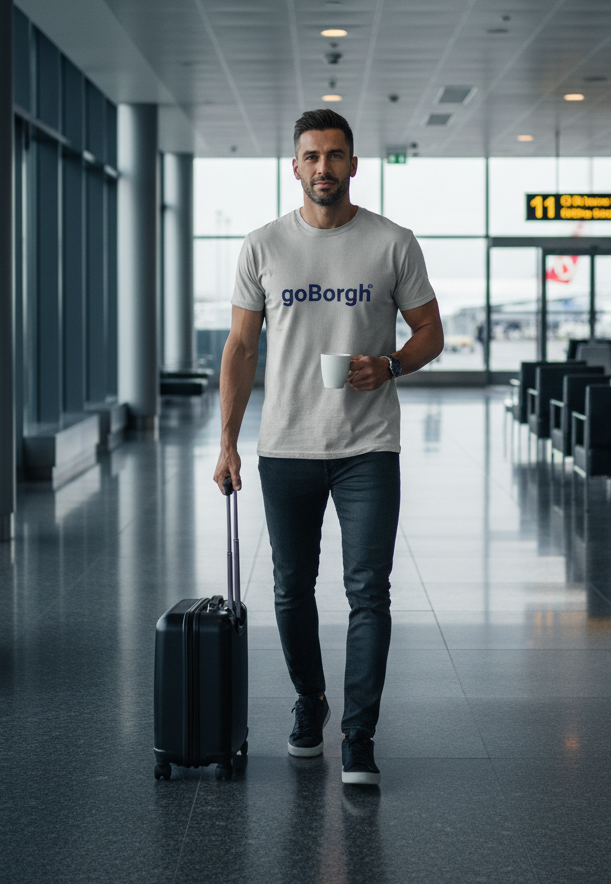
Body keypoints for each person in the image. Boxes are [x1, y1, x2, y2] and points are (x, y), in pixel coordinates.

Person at [213, 108, 443, 786]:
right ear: (295, 166)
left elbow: (430, 330)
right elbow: (241, 347)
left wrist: (393, 364)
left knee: (369, 592)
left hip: (368, 446)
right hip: (285, 446)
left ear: (353, 164)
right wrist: (227, 442)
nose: (324, 168)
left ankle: (358, 735)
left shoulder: (392, 242)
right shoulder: (262, 246)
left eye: (335, 155)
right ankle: (310, 702)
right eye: (311, 156)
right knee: (291, 589)